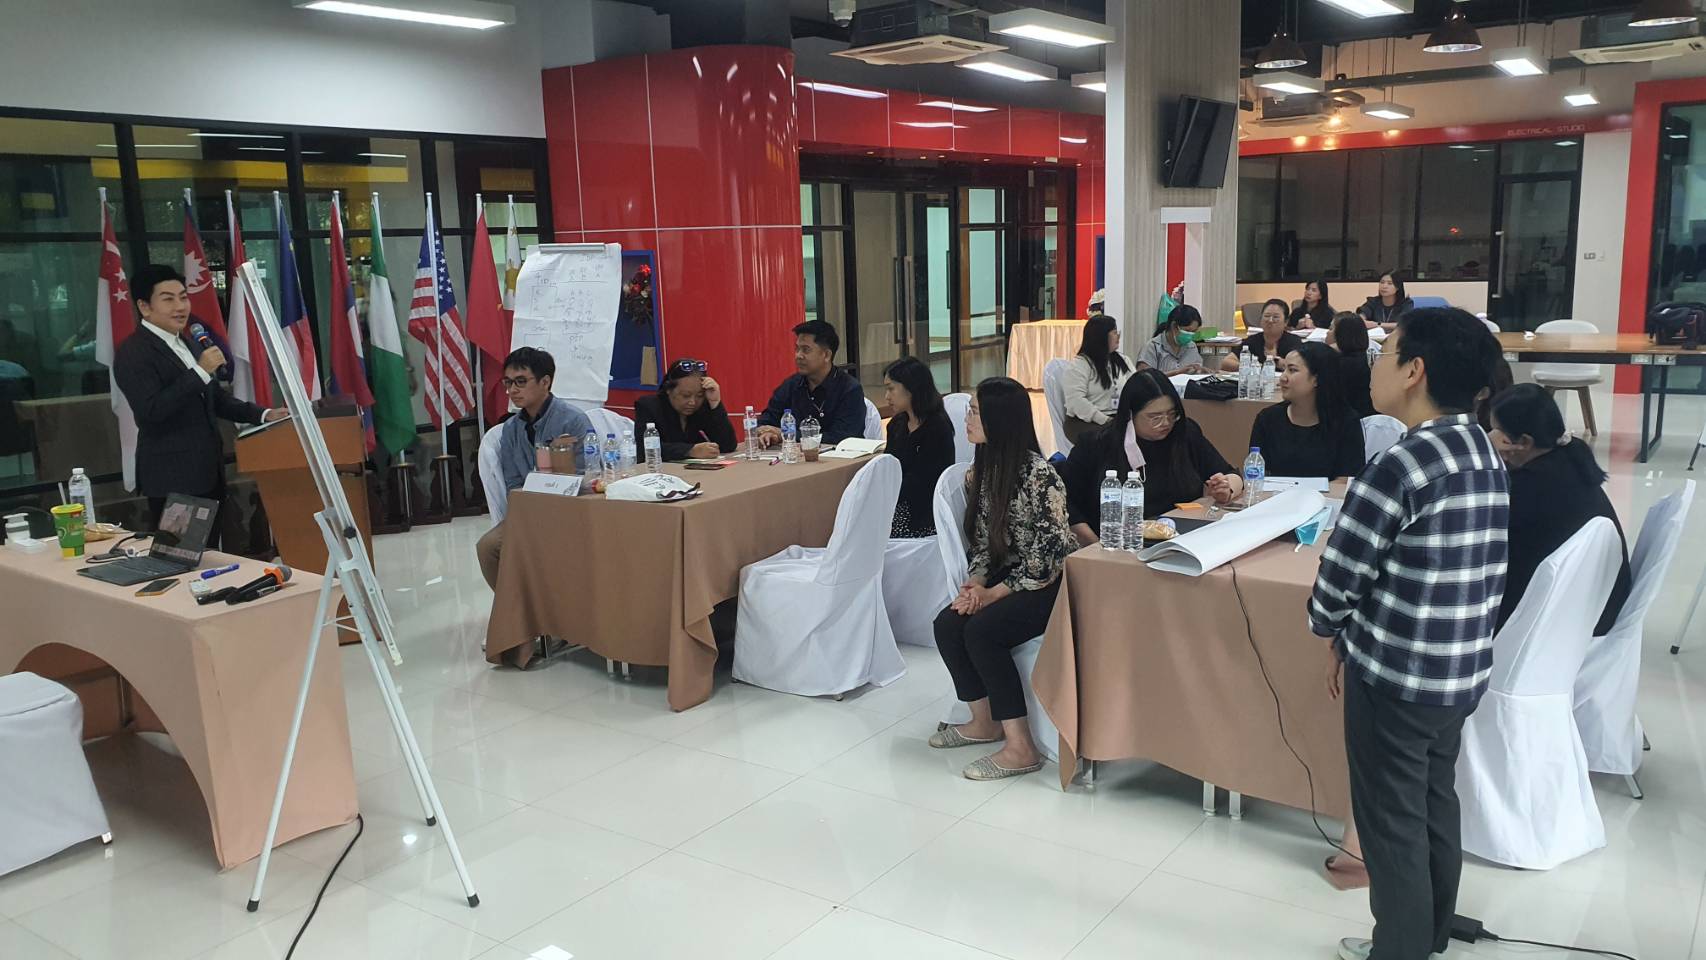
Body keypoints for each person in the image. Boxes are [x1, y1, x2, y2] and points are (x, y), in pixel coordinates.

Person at [1309, 307, 1509, 960]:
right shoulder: (1482, 448)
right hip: (1459, 671)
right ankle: (1429, 933)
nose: (1375, 366)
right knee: (1432, 801)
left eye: (1385, 352)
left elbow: (1340, 575)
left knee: (1390, 821)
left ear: (1414, 371)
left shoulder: (1401, 464)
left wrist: (1330, 629)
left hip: (1396, 678)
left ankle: (1399, 949)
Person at [929, 376, 1075, 780]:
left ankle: (1021, 746)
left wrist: (993, 594)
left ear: (1000, 419)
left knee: (983, 632)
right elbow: (982, 543)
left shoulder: (1040, 476)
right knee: (947, 624)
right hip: (1010, 575)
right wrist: (976, 583)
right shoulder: (983, 472)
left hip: (1053, 583)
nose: (967, 418)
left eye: (975, 412)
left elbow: (1047, 558)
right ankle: (984, 721)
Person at [112, 264, 285, 533]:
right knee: (182, 552)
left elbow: (214, 398)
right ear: (145, 307)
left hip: (207, 473)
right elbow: (152, 410)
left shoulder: (188, 342)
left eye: (183, 297)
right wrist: (200, 371)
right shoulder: (133, 352)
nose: (180, 307)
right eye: (168, 299)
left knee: (211, 552)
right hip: (174, 478)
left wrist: (263, 414)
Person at [1489, 384, 1632, 637]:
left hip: (1567, 624)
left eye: (1497, 433)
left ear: (1524, 442)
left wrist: (1484, 453)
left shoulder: (1530, 487)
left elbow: (1486, 529)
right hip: (1597, 604)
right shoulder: (1570, 456)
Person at [1062, 369, 1243, 546]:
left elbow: (1232, 474)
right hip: (1118, 545)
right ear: (1130, 414)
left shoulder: (1184, 433)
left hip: (1181, 541)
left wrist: (1226, 489)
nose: (1165, 423)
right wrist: (1095, 547)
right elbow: (1066, 505)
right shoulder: (1096, 444)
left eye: (1172, 414)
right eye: (1155, 417)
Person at [476, 347, 592, 590]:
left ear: (545, 382)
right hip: (529, 512)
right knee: (487, 547)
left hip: (571, 510)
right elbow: (512, 484)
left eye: (521, 381)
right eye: (508, 382)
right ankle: (515, 607)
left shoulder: (573, 420)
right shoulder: (510, 429)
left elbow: (588, 476)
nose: (512, 390)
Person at [1248, 343, 1365, 480]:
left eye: (1292, 370)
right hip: (1275, 493)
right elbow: (1255, 474)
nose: (1283, 378)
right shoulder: (1267, 419)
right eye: (1284, 369)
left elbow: (1346, 480)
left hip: (1328, 494)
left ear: (1317, 379)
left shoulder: (1346, 422)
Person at [756, 319, 865, 447]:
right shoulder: (791, 385)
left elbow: (842, 437)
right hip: (793, 456)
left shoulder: (849, 389)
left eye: (805, 350)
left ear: (826, 355)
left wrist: (787, 434)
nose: (798, 355)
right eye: (797, 349)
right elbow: (767, 419)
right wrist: (768, 433)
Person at [883, 357, 955, 538]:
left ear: (911, 388)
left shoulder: (937, 428)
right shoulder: (897, 424)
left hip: (924, 512)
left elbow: (924, 481)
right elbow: (888, 466)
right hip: (896, 502)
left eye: (891, 389)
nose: (887, 397)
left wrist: (885, 494)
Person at [633, 358, 736, 461]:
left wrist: (715, 403)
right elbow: (644, 450)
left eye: (699, 395)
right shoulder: (648, 406)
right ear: (668, 389)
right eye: (686, 395)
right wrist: (690, 450)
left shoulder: (701, 407)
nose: (692, 402)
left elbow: (728, 445)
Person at [1060, 314, 1132, 445]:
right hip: (1084, 422)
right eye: (1114, 332)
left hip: (1116, 418)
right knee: (1113, 439)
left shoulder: (1123, 360)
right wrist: (1105, 420)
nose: (1118, 336)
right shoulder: (1080, 365)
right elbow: (1076, 401)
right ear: (1101, 337)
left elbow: (1135, 384)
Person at [1221, 299, 1305, 373]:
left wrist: (1282, 363)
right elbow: (1226, 362)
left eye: (1276, 317)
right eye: (1267, 316)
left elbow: (1301, 368)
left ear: (1286, 321)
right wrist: (1254, 367)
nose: (1270, 320)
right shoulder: (1253, 340)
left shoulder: (1294, 341)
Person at [1133, 303, 1211, 376]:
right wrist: (1178, 372)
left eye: (1193, 332)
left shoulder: (1191, 347)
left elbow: (1196, 372)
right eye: (1187, 331)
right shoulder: (1152, 347)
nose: (1190, 335)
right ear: (1174, 326)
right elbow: (1144, 378)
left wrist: (1202, 371)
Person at [1327, 312, 1376, 419]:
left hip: (1349, 420)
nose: (1327, 332)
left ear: (1341, 334)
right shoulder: (1366, 358)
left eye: (1331, 328)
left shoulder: (1337, 364)